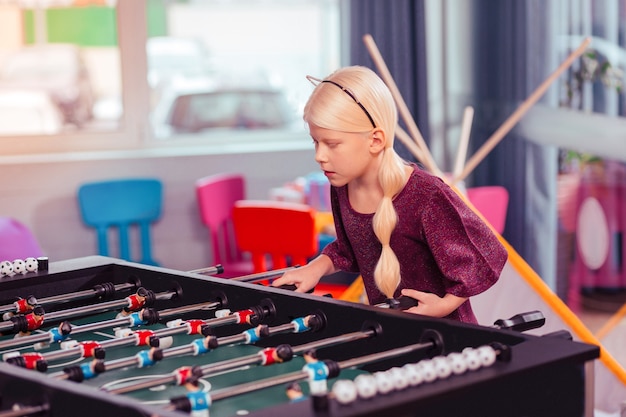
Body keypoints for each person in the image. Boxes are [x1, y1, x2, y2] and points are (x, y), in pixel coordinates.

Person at [271, 65, 507, 323]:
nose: (319, 156)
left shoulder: (427, 195)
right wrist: (313, 269)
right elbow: (348, 249)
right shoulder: (341, 186)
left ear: (375, 140)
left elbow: (486, 256)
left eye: (332, 144)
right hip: (391, 330)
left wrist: (444, 305)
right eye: (316, 142)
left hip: (445, 338)